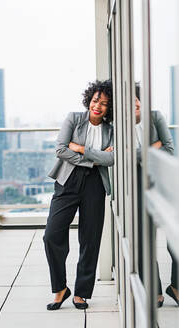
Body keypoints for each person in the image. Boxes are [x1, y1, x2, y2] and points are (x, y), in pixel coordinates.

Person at [43, 80, 114, 310]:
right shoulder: (74, 118)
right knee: (52, 235)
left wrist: (82, 149)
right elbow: (61, 149)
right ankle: (60, 289)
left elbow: (111, 159)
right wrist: (94, 158)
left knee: (90, 238)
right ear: (89, 100)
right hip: (68, 181)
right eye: (95, 101)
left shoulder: (111, 129)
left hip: (95, 184)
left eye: (104, 104)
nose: (98, 106)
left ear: (109, 107)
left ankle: (81, 293)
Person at [134, 84, 179, 307]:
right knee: (146, 239)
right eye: (129, 100)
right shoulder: (118, 124)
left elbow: (170, 149)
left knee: (176, 237)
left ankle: (177, 286)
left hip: (162, 182)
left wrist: (137, 153)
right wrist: (154, 146)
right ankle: (156, 289)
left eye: (137, 99)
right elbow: (122, 157)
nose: (134, 103)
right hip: (137, 185)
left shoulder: (155, 117)